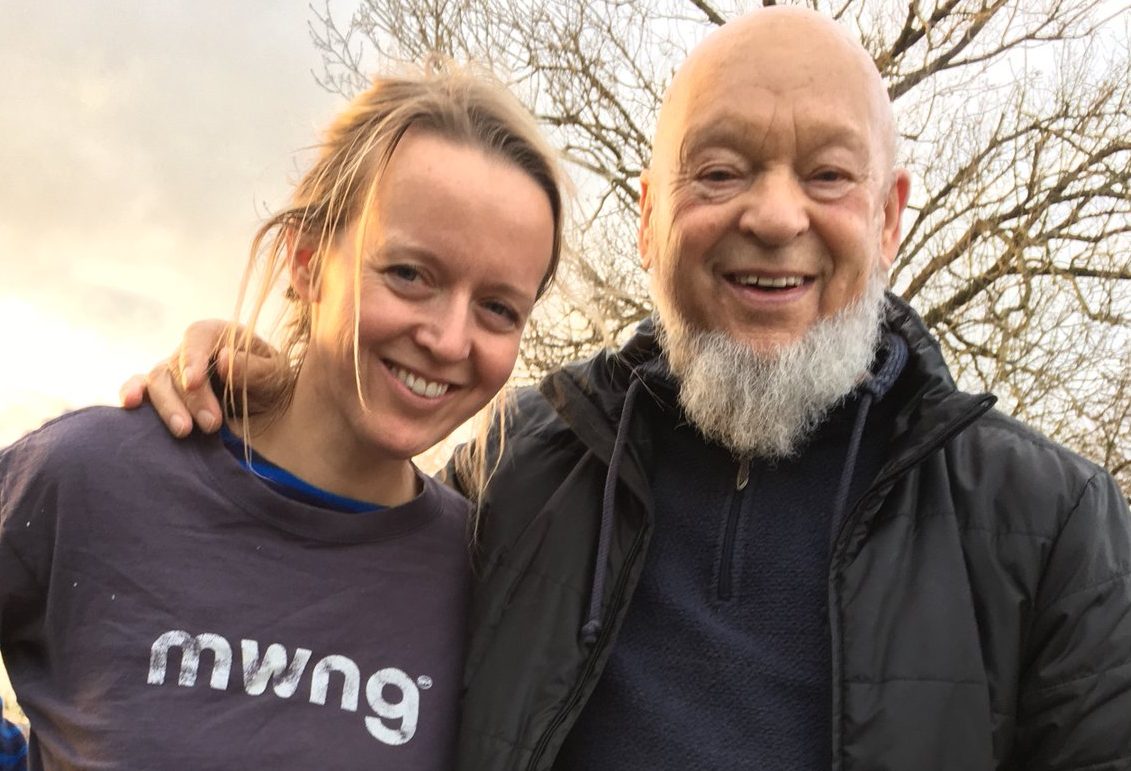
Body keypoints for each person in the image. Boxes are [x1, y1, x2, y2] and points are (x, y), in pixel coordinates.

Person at [125, 7, 1131, 770]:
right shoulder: (522, 464)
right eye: (721, 171)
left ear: (889, 217)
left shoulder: (1054, 529)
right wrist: (267, 395)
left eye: (828, 175)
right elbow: (328, 581)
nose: (774, 217)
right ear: (648, 220)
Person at [0, 66, 564, 770]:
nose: (450, 341)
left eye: (498, 308)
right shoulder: (91, 477)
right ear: (306, 262)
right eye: (409, 274)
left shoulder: (485, 581)